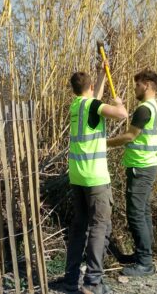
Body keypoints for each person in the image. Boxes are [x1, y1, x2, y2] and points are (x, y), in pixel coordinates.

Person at [61, 68, 127, 294]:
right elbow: (122, 115)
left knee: (79, 226)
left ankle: (70, 279)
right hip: (96, 177)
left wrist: (100, 77)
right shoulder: (93, 106)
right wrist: (118, 103)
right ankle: (93, 283)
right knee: (99, 227)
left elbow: (94, 100)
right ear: (88, 88)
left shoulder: (77, 105)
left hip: (77, 176)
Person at [107, 70, 157, 277]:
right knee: (143, 212)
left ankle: (145, 263)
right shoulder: (152, 107)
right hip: (146, 165)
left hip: (141, 167)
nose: (135, 88)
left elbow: (129, 136)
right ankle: (142, 256)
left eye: (137, 84)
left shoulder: (144, 110)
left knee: (136, 213)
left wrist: (103, 143)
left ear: (146, 85)